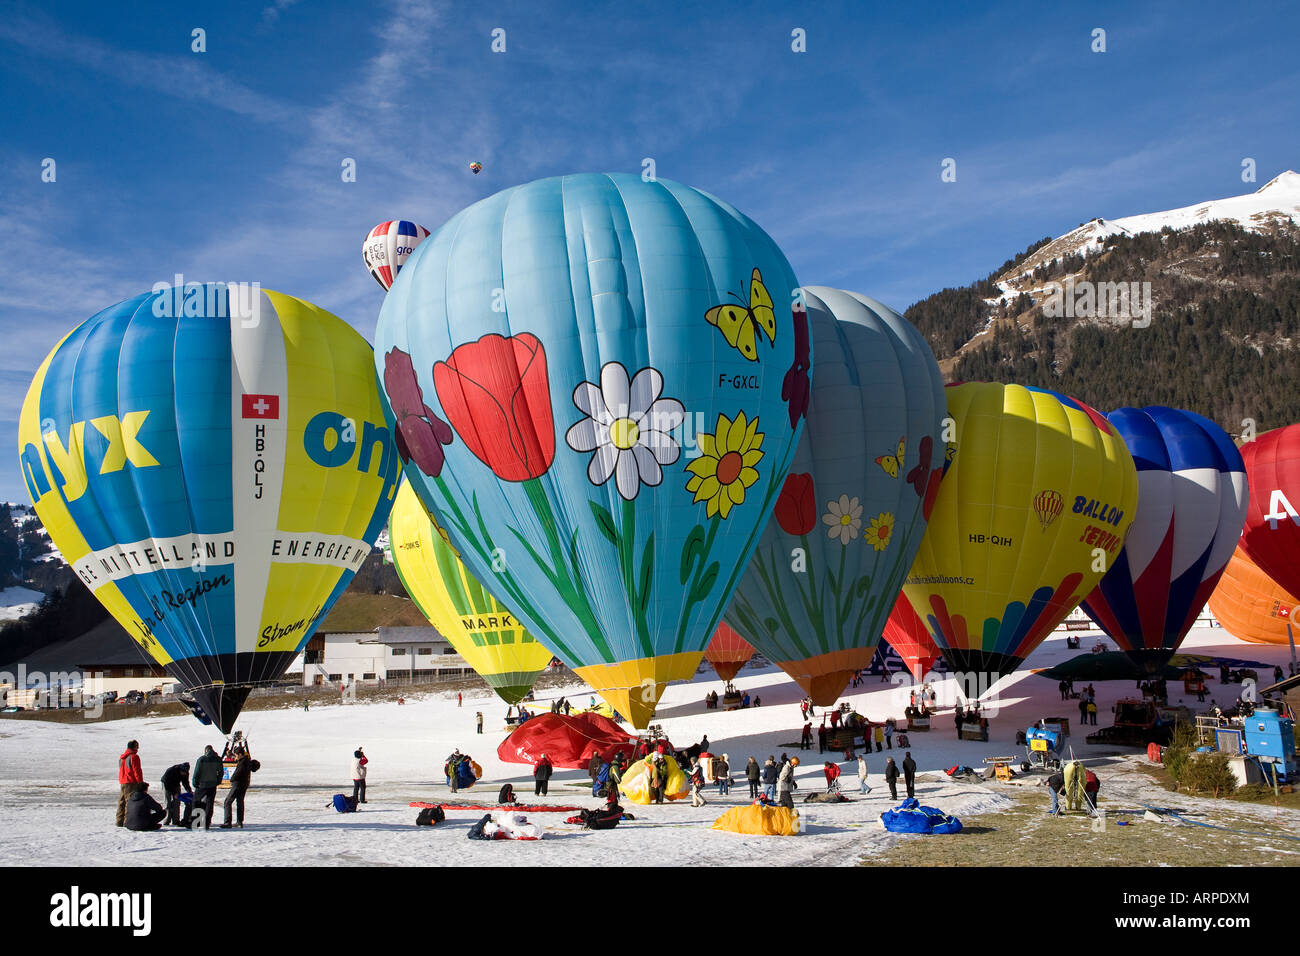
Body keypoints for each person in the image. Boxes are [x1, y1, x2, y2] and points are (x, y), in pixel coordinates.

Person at [191, 745, 223, 830]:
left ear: (206, 751)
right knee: (209, 804)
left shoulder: (201, 759)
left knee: (196, 802)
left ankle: (196, 822)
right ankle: (207, 824)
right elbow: (221, 772)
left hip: (202, 785)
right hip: (212, 785)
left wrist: (194, 782)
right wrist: (218, 782)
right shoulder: (218, 759)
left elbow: (197, 772)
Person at [220, 753, 256, 828]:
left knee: (227, 802)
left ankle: (227, 822)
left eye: (236, 755)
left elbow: (238, 773)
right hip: (244, 784)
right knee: (240, 802)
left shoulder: (242, 762)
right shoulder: (247, 761)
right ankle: (239, 822)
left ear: (240, 754)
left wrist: (232, 779)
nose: (235, 757)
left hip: (238, 784)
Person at [116, 739, 144, 828]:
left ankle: (119, 821)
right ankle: (127, 822)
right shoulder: (134, 757)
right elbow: (137, 771)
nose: (138, 748)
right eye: (137, 746)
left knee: (122, 802)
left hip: (123, 782)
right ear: (134, 747)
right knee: (130, 802)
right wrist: (140, 782)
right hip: (131, 782)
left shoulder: (122, 757)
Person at [160, 761, 192, 827]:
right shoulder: (171, 771)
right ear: (180, 769)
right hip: (166, 784)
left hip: (176, 784)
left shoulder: (185, 773)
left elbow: (185, 783)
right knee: (167, 802)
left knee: (177, 802)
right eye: (183, 772)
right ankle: (166, 820)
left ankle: (176, 820)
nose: (184, 774)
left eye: (185, 773)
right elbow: (167, 784)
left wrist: (189, 790)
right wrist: (174, 793)